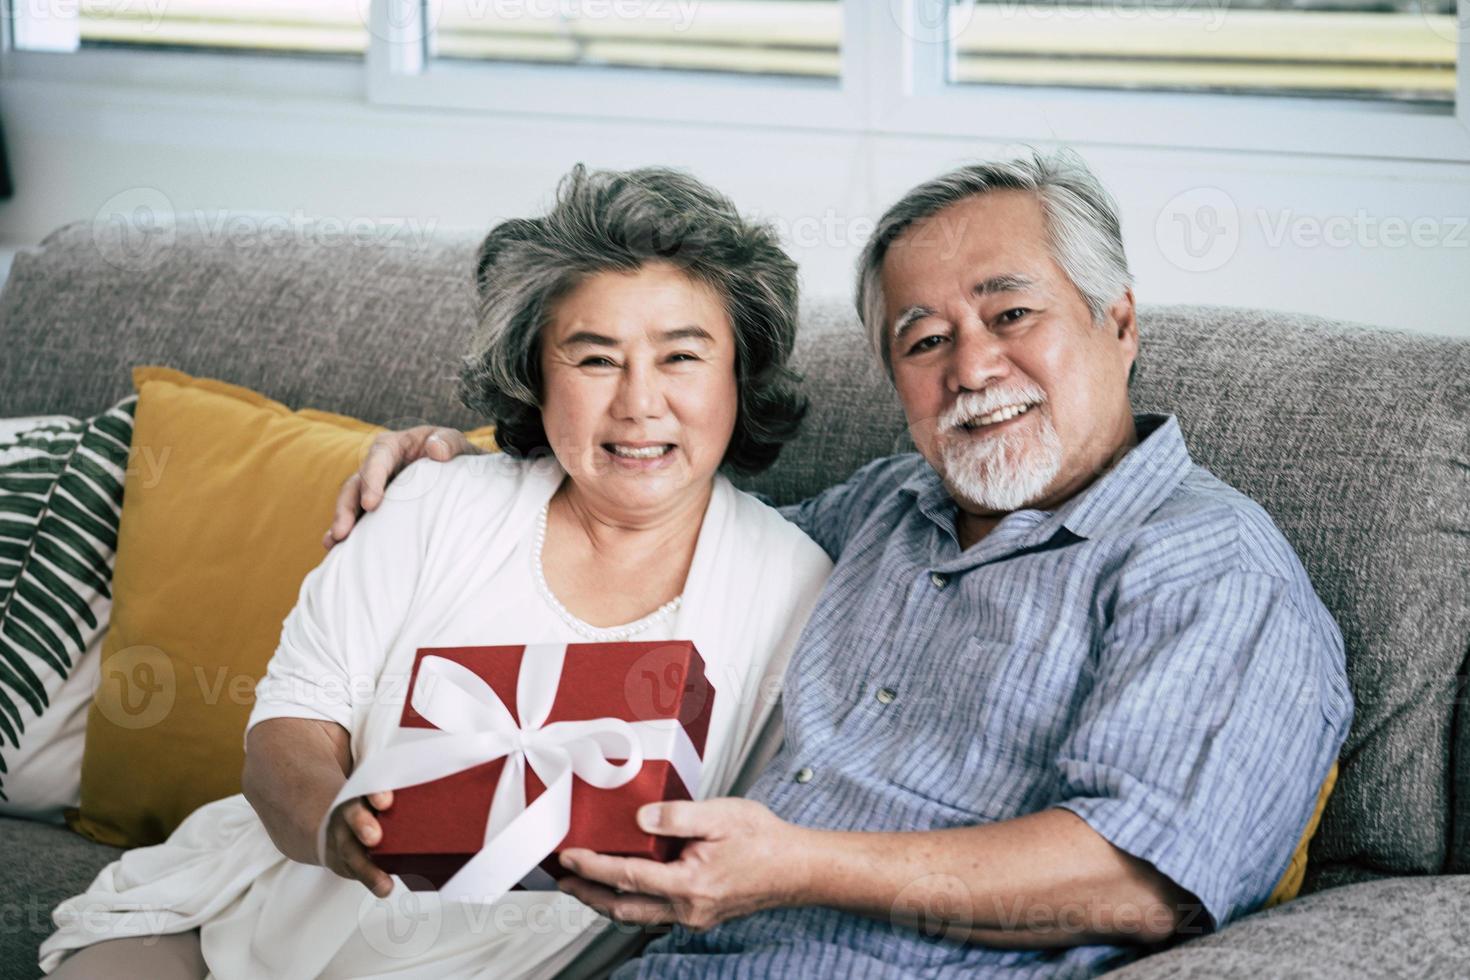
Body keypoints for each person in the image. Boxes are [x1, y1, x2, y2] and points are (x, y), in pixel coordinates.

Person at [337, 149, 1354, 978]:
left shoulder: (1212, 571)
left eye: (1011, 314)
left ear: (1118, 320)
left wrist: (796, 867)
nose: (972, 367)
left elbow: (1135, 881)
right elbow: (653, 518)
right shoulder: (882, 508)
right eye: (923, 339)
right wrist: (474, 464)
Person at [38, 165, 833, 979]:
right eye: (596, 360)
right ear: (536, 374)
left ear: (741, 373)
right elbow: (288, 735)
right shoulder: (433, 505)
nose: (639, 403)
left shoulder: (798, 590)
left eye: (681, 358)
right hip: (259, 913)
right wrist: (331, 824)